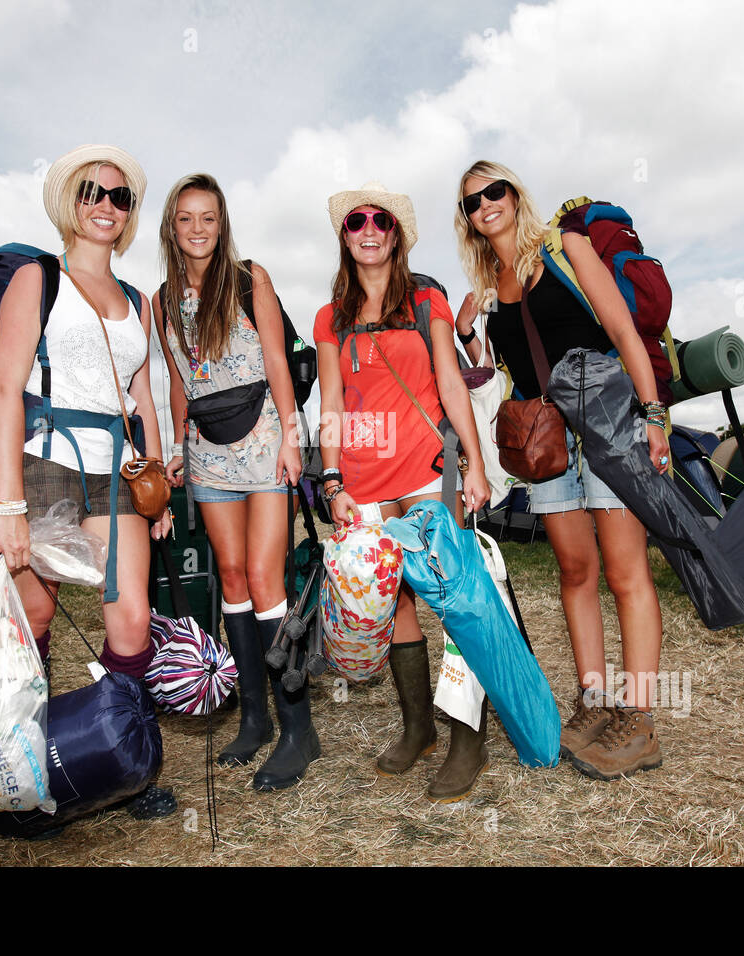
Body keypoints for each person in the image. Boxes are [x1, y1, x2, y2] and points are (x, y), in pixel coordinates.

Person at [453, 159, 670, 781]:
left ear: (515, 195)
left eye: (495, 191)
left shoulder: (567, 248)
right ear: (467, 220)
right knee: (576, 571)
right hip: (548, 443)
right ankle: (595, 702)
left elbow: (623, 333)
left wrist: (653, 414)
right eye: (472, 201)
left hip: (610, 425)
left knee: (627, 573)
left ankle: (640, 721)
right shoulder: (491, 283)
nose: (486, 204)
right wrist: (473, 337)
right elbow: (508, 372)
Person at [0, 144, 175, 817]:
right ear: (72, 203)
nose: (106, 205)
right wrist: (8, 505)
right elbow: (5, 390)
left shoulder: (137, 301)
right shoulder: (36, 279)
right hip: (45, 459)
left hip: (116, 468)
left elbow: (143, 398)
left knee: (131, 621)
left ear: (128, 216)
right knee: (33, 615)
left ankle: (120, 759)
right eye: (94, 192)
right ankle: (25, 774)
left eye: (120, 197)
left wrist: (156, 484)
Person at [314, 181, 490, 803]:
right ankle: (418, 728)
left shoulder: (426, 299)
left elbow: (449, 380)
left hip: (425, 469)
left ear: (395, 234)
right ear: (345, 235)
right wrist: (332, 478)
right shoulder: (329, 316)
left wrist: (472, 460)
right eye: (355, 221)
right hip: (362, 480)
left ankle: (468, 734)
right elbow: (330, 400)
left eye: (379, 220)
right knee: (396, 605)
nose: (367, 229)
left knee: (458, 599)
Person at [154, 173, 318, 791]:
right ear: (172, 227)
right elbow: (177, 381)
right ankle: (253, 719)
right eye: (187, 218)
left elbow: (277, 358)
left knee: (264, 577)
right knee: (229, 579)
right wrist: (175, 448)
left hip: (263, 442)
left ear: (223, 226)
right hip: (206, 451)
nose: (198, 230)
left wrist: (292, 436)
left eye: (210, 218)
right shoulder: (162, 299)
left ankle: (298, 728)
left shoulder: (251, 278)